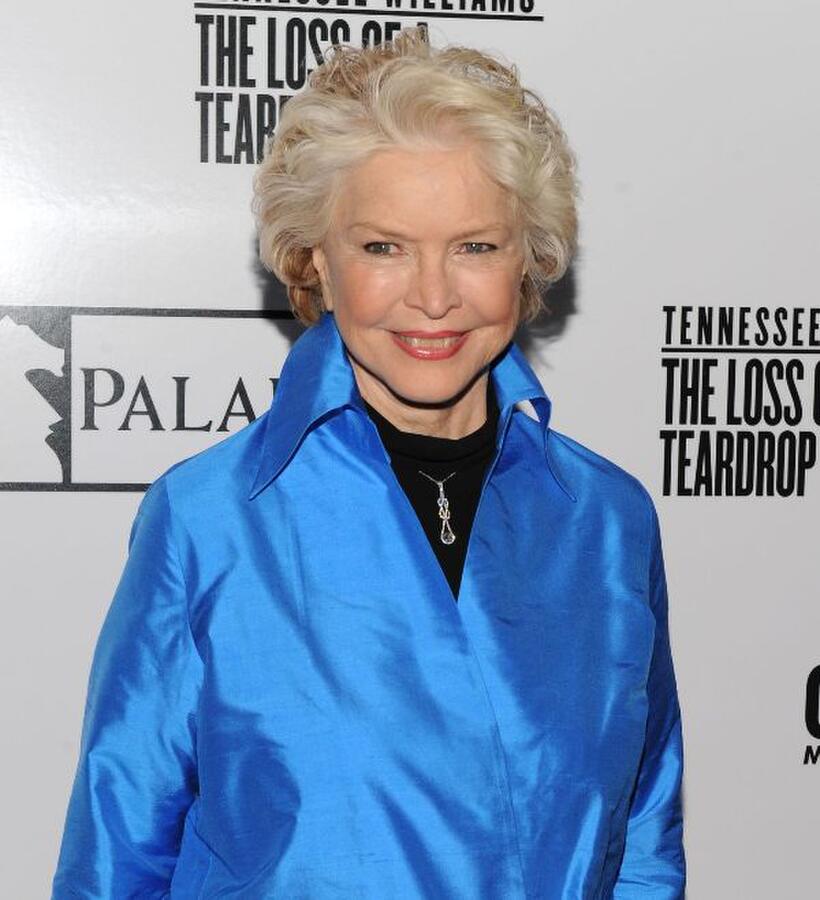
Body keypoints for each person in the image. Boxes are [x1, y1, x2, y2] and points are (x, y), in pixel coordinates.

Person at [52, 27, 685, 898]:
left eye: (475, 246)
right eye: (384, 247)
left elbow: (644, 835)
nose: (433, 295)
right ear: (316, 257)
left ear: (530, 259)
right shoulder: (210, 520)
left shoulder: (608, 521)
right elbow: (116, 858)